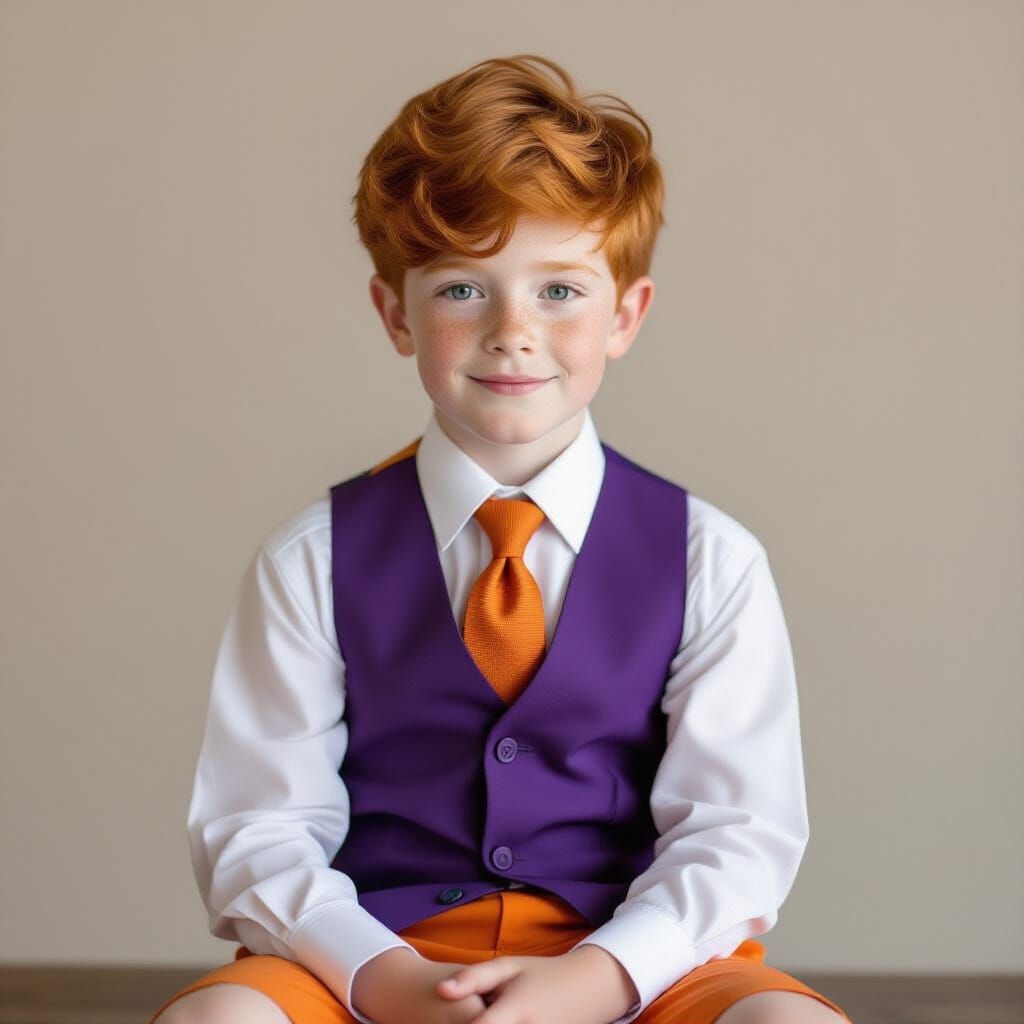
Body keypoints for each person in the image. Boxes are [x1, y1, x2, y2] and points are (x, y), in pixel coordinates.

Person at [150, 53, 853, 1024]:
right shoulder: (310, 555)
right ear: (396, 312)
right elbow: (256, 828)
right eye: (461, 290)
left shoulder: (709, 558)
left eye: (560, 290)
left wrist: (598, 975)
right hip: (369, 950)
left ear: (626, 314)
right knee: (215, 1020)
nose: (512, 330)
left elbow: (736, 833)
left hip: (634, 955)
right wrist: (380, 975)